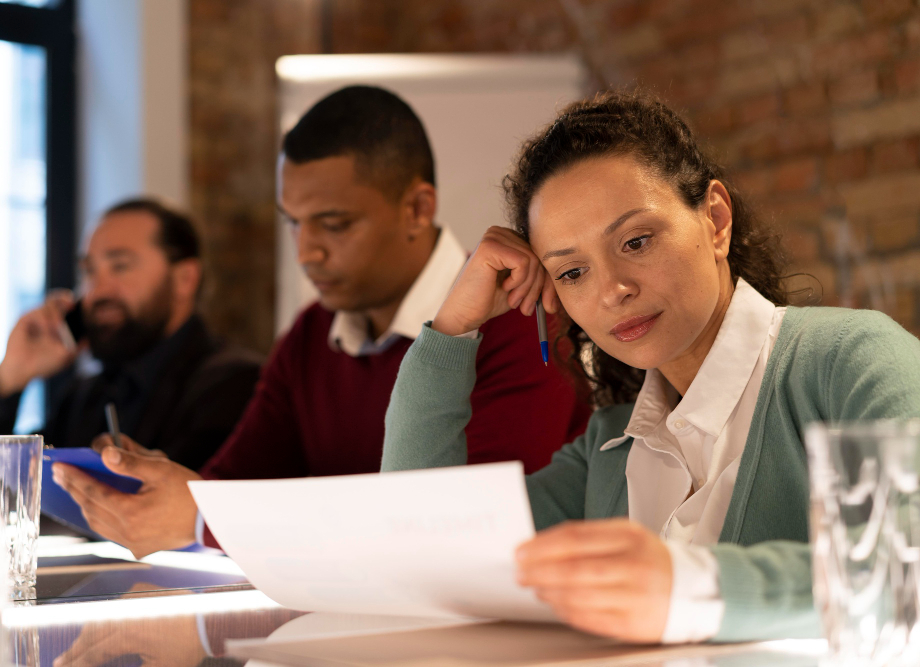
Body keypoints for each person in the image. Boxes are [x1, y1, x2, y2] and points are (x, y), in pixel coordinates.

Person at [381, 91, 920, 644]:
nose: (613, 290)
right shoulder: (606, 451)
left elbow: (907, 571)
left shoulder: (851, 360)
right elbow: (425, 558)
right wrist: (451, 331)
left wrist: (689, 587)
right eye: (571, 273)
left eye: (635, 241)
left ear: (715, 220)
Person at [51, 86, 591, 558]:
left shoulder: (522, 315)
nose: (306, 252)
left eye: (333, 224)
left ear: (417, 208)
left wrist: (201, 517)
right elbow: (233, 483)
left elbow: (465, 528)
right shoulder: (311, 334)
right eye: (294, 223)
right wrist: (163, 488)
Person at [0, 198, 261, 471]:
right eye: (89, 271)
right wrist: (9, 378)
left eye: (120, 266)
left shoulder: (235, 386)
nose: (97, 291)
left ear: (184, 279)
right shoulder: (84, 396)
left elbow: (196, 494)